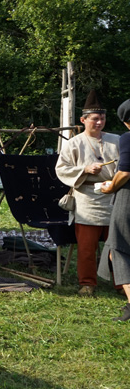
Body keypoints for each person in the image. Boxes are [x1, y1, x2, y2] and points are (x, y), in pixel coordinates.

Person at [55, 89, 120, 296]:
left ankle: (122, 284)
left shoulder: (117, 141)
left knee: (119, 247)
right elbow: (61, 169)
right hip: (87, 200)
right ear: (84, 120)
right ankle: (87, 283)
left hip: (113, 198)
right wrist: (85, 169)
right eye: (94, 119)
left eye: (102, 118)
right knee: (86, 249)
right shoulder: (74, 143)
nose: (99, 122)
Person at [100, 98, 130, 321]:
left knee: (117, 249)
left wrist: (109, 187)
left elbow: (126, 172)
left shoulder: (127, 138)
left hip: (128, 199)